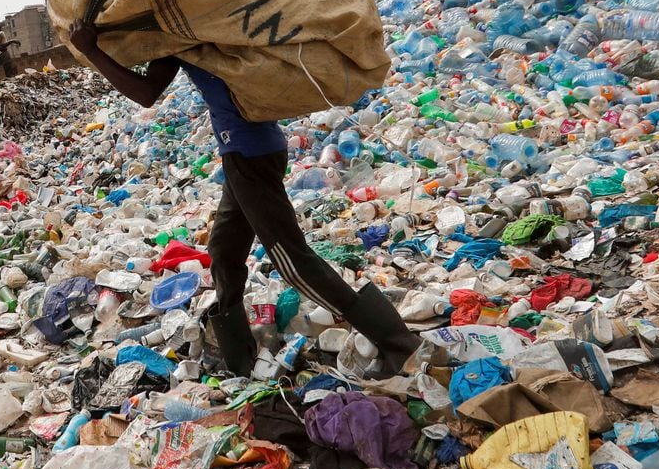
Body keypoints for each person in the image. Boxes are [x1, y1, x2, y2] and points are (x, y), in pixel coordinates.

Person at [68, 21, 420, 378]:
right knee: (224, 251)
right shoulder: (191, 27)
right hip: (250, 149)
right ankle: (238, 359)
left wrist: (93, 51)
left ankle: (398, 344)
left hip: (248, 153)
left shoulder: (187, 28)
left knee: (293, 262)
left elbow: (145, 93)